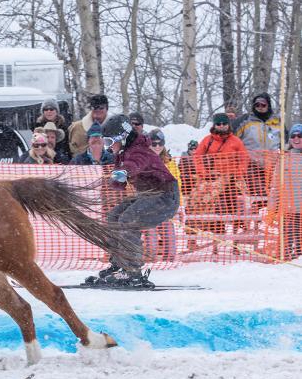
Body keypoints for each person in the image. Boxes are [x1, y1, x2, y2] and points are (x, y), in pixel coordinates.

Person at [90, 115, 180, 286]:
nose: (108, 148)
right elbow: (119, 185)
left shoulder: (140, 150)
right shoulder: (122, 154)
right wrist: (117, 178)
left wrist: (125, 171)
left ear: (122, 139)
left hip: (166, 196)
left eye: (110, 142)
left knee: (128, 220)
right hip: (148, 195)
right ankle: (118, 264)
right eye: (106, 143)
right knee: (114, 217)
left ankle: (132, 270)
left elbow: (136, 163)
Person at [190, 113, 250, 253]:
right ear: (214, 125)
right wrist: (203, 173)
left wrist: (238, 173)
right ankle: (208, 238)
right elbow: (197, 157)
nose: (221, 126)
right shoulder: (207, 140)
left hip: (232, 180)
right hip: (212, 178)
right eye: (219, 124)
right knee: (198, 202)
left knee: (237, 209)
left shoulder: (236, 141)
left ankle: (236, 241)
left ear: (228, 124)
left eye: (224, 123)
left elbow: (244, 158)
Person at [234, 93, 284, 198]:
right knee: (259, 191)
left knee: (274, 192)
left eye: (263, 105)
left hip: (273, 164)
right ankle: (259, 209)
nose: (260, 107)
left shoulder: (277, 122)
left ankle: (270, 211)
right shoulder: (245, 120)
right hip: (252, 164)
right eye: (257, 105)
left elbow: (286, 140)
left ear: (268, 105)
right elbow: (233, 139)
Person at [144, 129, 180, 262]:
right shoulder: (144, 160)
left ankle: (170, 258)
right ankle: (150, 257)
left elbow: (178, 183)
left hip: (167, 202)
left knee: (168, 229)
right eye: (154, 144)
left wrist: (178, 203)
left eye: (160, 143)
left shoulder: (169, 162)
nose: (158, 146)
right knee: (151, 229)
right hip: (150, 202)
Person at [268, 124, 302, 259]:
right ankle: (286, 263)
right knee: (286, 241)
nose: (296, 138)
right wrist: (271, 209)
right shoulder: (283, 159)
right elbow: (275, 186)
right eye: (293, 136)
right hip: (288, 209)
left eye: (300, 135)